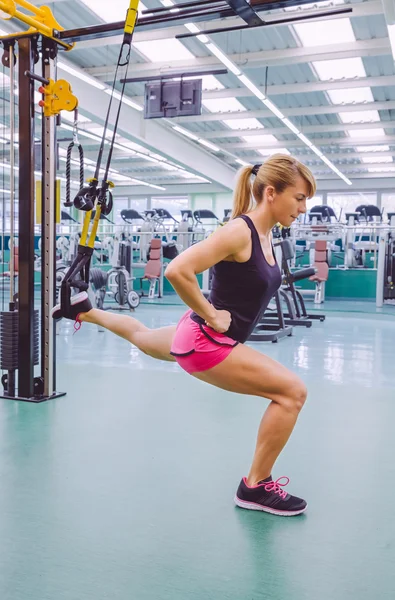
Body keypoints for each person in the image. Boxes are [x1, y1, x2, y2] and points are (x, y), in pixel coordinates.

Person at [52, 154, 316, 517]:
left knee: (143, 336)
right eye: (300, 198)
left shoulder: (267, 234)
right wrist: (211, 313)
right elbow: (178, 270)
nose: (303, 207)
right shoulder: (241, 231)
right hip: (209, 342)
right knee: (292, 393)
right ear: (272, 193)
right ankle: (255, 486)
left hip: (193, 335)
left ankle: (81, 309)